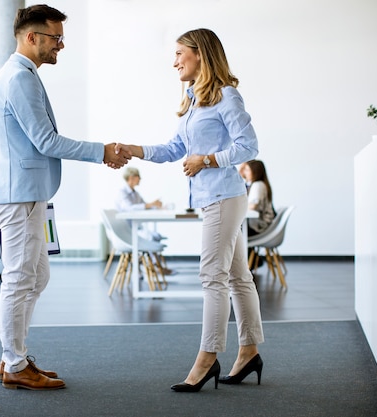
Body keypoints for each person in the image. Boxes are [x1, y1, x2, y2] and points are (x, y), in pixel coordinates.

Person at [0, 4, 130, 391]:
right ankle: (14, 363)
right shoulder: (18, 78)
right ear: (32, 37)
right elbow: (46, 140)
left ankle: (11, 356)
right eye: (56, 38)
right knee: (19, 278)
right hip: (18, 195)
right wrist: (103, 151)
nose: (61, 46)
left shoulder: (20, 75)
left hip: (27, 193)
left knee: (36, 275)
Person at [117, 28, 264, 392]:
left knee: (211, 277)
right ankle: (248, 352)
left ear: (201, 54)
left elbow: (249, 146)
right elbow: (173, 149)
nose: (175, 61)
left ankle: (207, 359)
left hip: (223, 196)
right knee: (238, 277)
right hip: (215, 197)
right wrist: (134, 149)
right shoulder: (193, 101)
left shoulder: (227, 97)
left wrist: (208, 159)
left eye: (180, 53)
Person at [242, 160, 275, 237]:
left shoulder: (258, 185)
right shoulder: (258, 184)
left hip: (258, 226)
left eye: (247, 170)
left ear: (254, 171)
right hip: (259, 224)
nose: (244, 173)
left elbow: (253, 206)